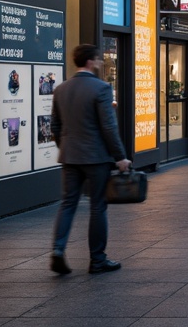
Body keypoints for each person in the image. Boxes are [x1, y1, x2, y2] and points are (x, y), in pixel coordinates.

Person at [50, 44, 132, 275]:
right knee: (97, 206)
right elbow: (108, 126)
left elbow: (55, 125)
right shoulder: (101, 88)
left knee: (68, 204)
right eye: (98, 59)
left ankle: (58, 249)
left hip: (69, 156)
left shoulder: (61, 89)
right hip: (96, 157)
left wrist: (65, 146)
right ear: (90, 61)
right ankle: (97, 260)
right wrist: (120, 157)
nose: (100, 63)